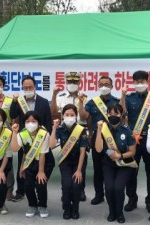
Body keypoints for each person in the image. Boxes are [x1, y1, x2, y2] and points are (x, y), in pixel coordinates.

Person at [120, 70, 150, 213]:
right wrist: (123, 95)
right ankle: (132, 199)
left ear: (147, 82)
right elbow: (121, 113)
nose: (140, 84)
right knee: (131, 171)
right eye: (137, 81)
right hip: (133, 140)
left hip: (149, 139)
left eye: (142, 81)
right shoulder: (129, 97)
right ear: (133, 83)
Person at [9, 75, 54, 202]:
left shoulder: (44, 102)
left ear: (35, 87)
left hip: (41, 137)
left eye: (30, 87)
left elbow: (48, 120)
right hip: (24, 138)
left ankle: (39, 183)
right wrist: (14, 101)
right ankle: (21, 190)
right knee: (22, 164)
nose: (28, 89)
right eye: (25, 87)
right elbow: (12, 115)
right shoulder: (19, 101)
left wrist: (47, 136)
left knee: (43, 160)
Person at [78, 76, 120, 205]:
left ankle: (113, 194)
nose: (104, 87)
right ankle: (99, 194)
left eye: (107, 84)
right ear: (98, 86)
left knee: (113, 165)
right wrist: (80, 103)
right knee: (98, 167)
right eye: (101, 84)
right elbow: (84, 117)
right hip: (98, 138)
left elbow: (122, 117)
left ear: (112, 87)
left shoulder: (116, 101)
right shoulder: (92, 102)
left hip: (113, 139)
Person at [95, 103, 136, 223]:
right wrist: (98, 130)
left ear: (121, 114)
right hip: (108, 163)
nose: (113, 116)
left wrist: (120, 155)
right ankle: (111, 212)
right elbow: (98, 149)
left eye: (116, 113)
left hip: (124, 163)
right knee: (108, 188)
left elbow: (132, 152)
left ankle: (119, 213)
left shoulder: (127, 131)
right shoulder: (103, 129)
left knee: (118, 187)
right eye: (110, 113)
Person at [51, 71, 88, 201]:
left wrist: (82, 102)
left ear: (80, 83)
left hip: (80, 132)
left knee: (81, 163)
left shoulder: (85, 97)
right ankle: (65, 190)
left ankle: (81, 190)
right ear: (66, 83)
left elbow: (84, 117)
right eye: (70, 82)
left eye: (75, 82)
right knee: (66, 160)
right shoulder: (61, 97)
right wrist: (54, 94)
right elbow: (54, 113)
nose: (72, 84)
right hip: (65, 133)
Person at [10, 111, 54, 218]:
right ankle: (32, 205)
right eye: (27, 121)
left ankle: (42, 206)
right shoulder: (22, 133)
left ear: (38, 122)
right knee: (28, 185)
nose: (30, 123)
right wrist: (14, 133)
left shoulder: (44, 134)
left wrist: (41, 171)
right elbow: (15, 149)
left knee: (41, 184)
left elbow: (43, 154)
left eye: (33, 121)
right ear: (24, 122)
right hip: (29, 162)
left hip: (45, 162)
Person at [50, 104, 87, 220]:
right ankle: (66, 208)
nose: (69, 117)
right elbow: (51, 145)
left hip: (78, 161)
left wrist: (79, 170)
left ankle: (75, 208)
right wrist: (54, 128)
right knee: (66, 185)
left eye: (72, 115)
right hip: (65, 161)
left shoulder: (81, 130)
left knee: (76, 185)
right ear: (63, 116)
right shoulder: (60, 129)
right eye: (67, 115)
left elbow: (82, 152)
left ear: (76, 116)